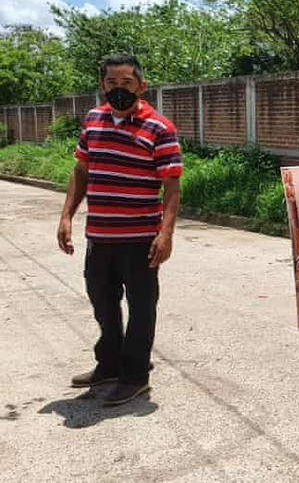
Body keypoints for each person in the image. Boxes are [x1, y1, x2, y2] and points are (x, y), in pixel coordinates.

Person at [57, 54, 182, 406]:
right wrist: (66, 216)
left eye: (127, 83)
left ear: (141, 86)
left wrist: (166, 233)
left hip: (140, 239)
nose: (119, 89)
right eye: (112, 83)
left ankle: (135, 377)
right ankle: (109, 364)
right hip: (99, 236)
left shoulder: (159, 128)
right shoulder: (93, 120)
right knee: (103, 303)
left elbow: (172, 185)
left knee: (142, 309)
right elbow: (82, 171)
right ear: (102, 85)